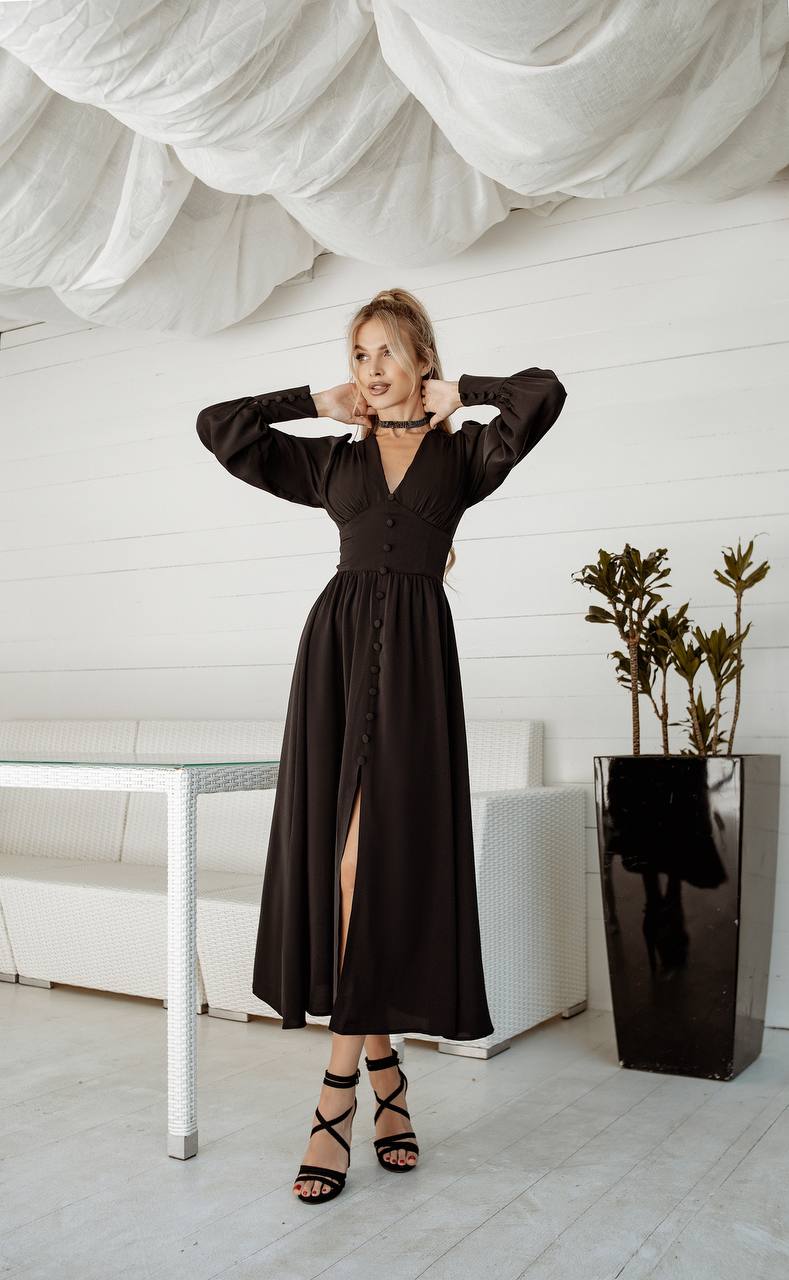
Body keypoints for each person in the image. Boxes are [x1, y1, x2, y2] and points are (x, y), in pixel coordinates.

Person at [195, 288, 568, 1204]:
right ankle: (379, 1082)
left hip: (413, 667)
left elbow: (543, 392)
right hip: (333, 656)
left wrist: (462, 391)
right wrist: (310, 403)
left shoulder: (466, 454)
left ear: (420, 359)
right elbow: (217, 427)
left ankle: (340, 1095)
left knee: (382, 861)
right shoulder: (332, 463)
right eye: (358, 353)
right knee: (344, 862)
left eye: (386, 352)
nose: (369, 369)